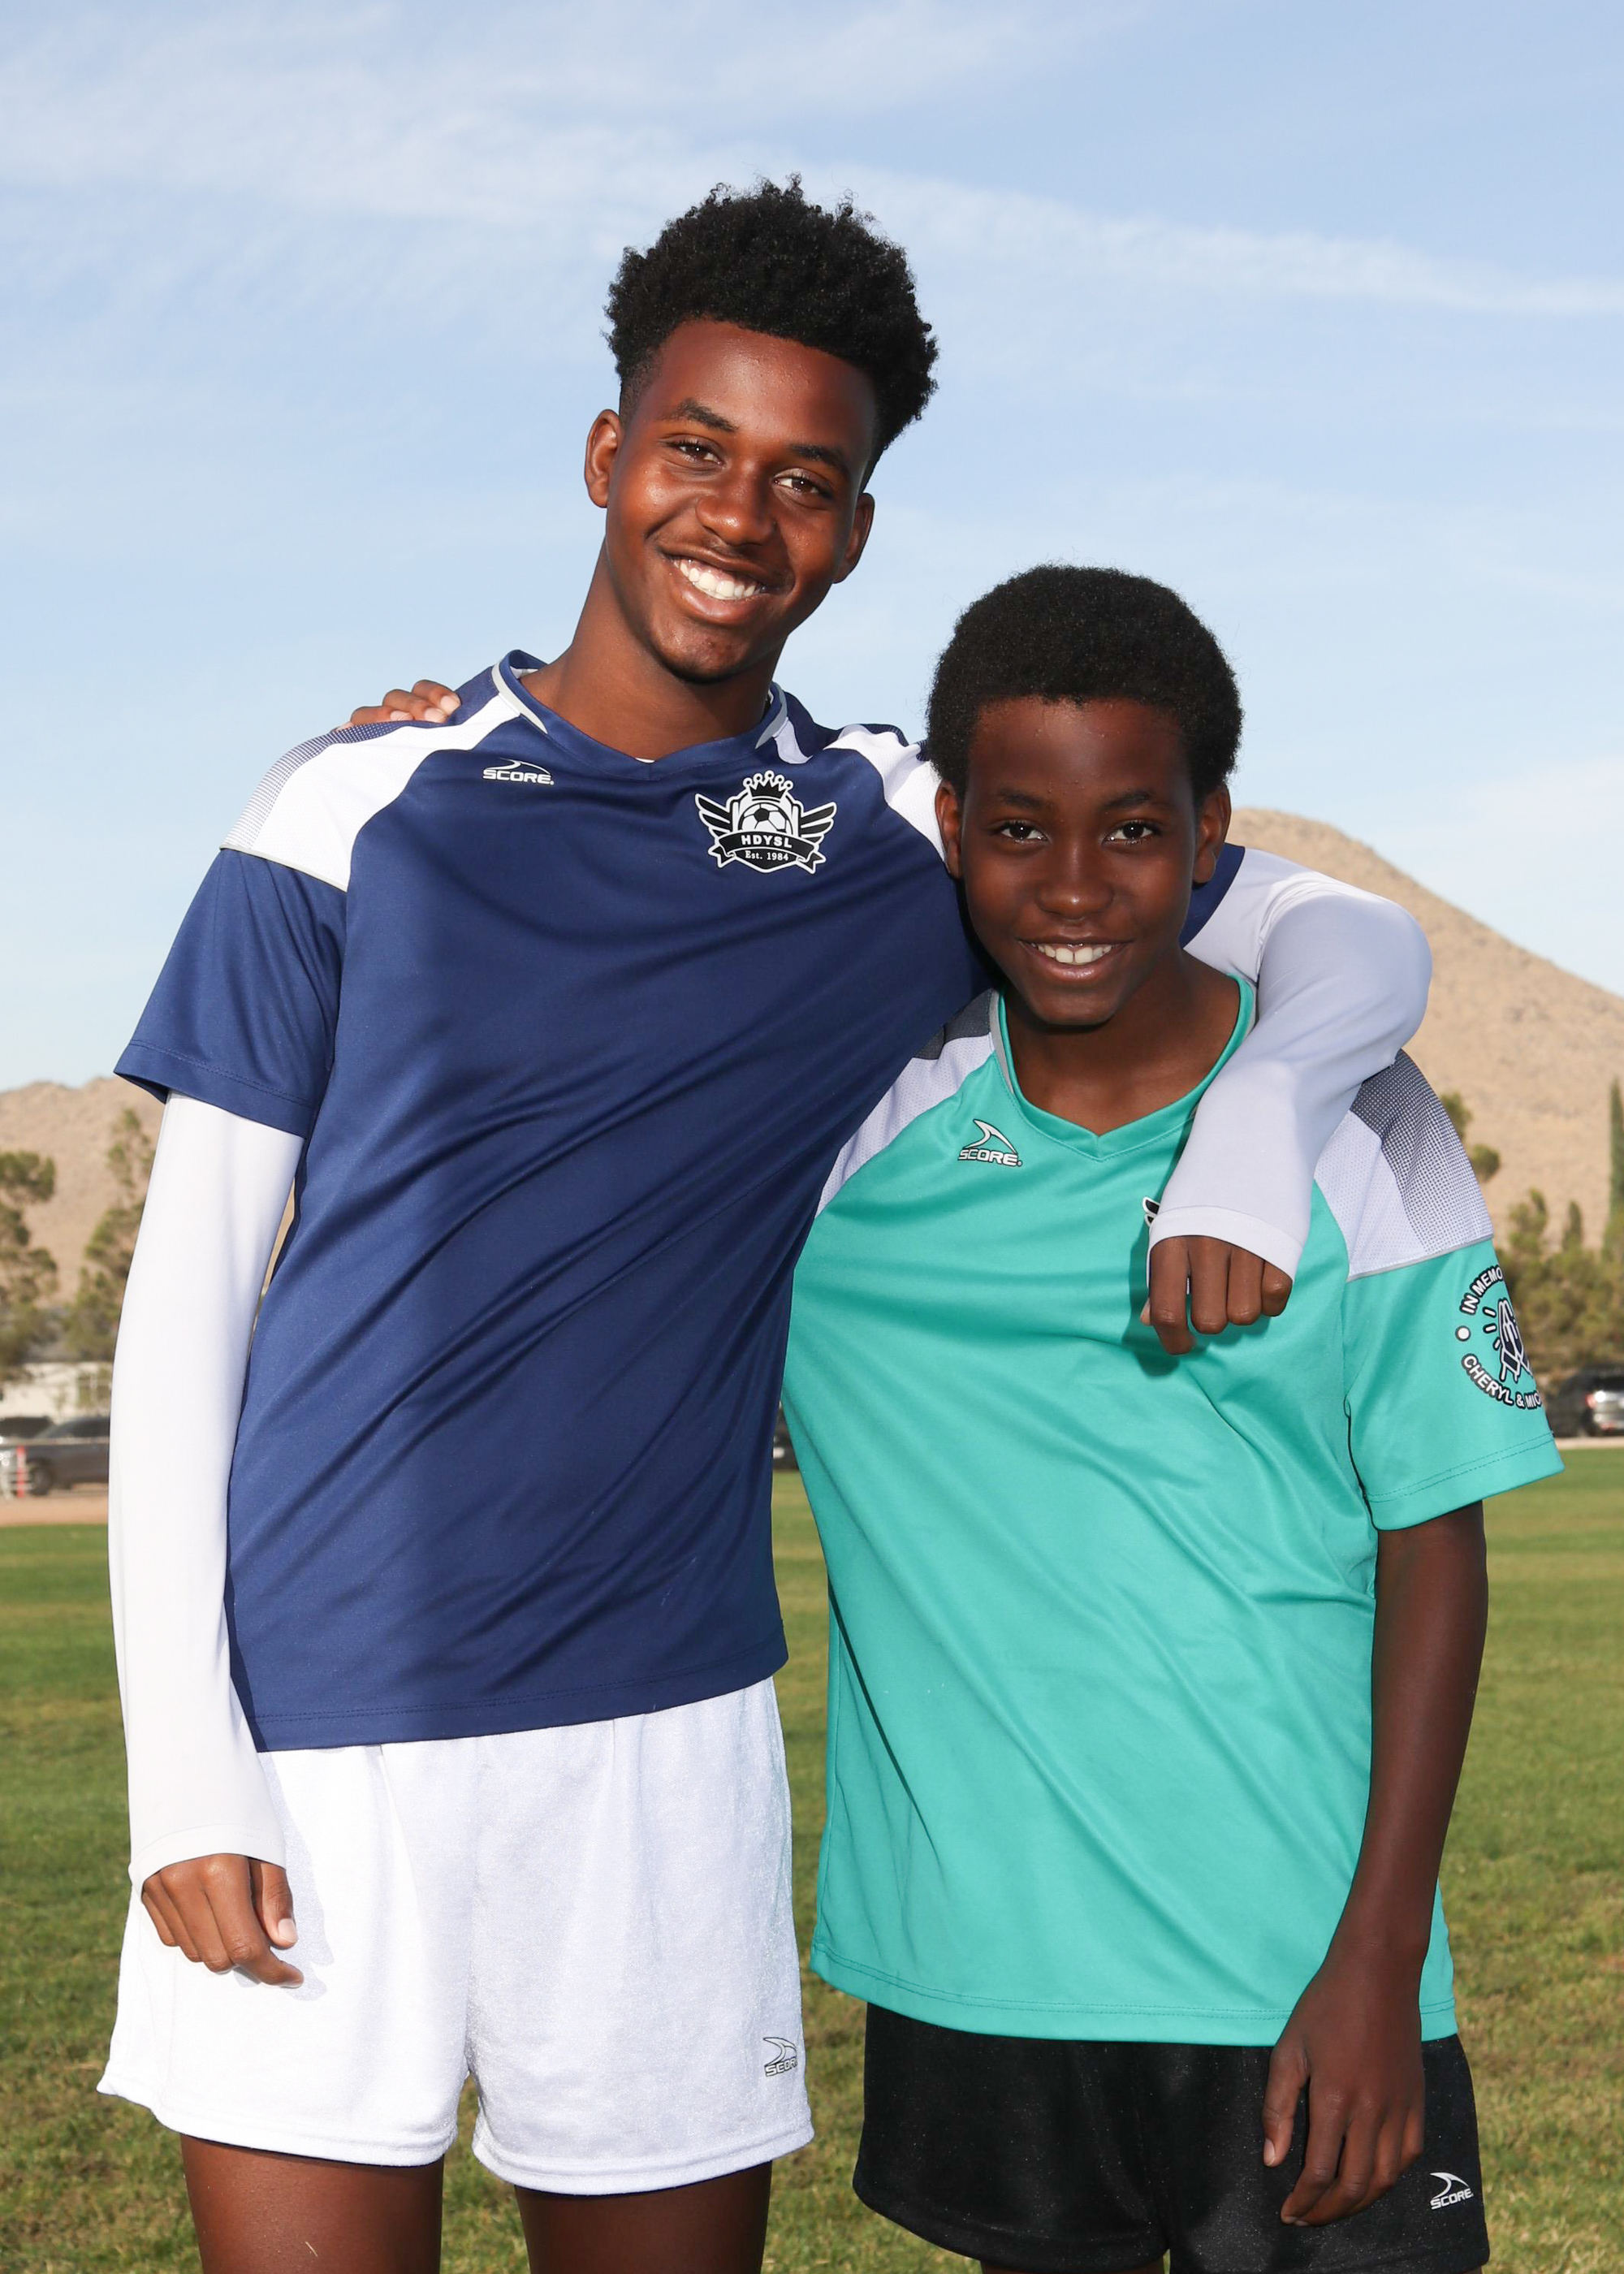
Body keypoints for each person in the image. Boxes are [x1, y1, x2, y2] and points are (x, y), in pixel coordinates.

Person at [100, 185, 1431, 2274]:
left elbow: (1338, 931)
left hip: (665, 1735)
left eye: (805, 479)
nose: (739, 513)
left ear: (856, 529)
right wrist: (187, 1767)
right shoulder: (348, 808)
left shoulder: (887, 829)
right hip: (320, 1730)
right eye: (698, 448)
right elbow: (187, 1309)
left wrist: (1262, 1121)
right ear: (607, 453)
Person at [780, 564, 1561, 2274]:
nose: (1074, 887)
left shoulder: (1363, 1119)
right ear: (951, 828)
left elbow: (1435, 1548)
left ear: (1212, 836)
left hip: (1302, 1969)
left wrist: (1379, 1961)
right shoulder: (852, 1128)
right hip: (981, 1968)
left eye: (1133, 830)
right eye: (1018, 831)